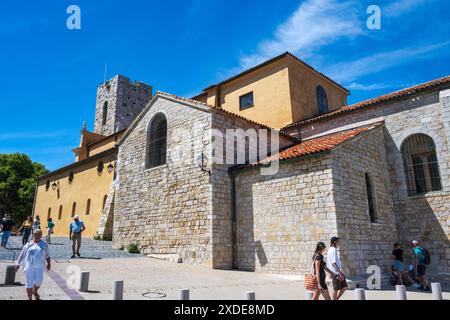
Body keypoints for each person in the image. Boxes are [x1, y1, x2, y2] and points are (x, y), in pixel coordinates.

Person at [15, 229, 51, 300]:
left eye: (39, 235)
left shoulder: (44, 244)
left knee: (39, 282)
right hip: (29, 267)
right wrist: (17, 263)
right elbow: (22, 254)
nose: (37, 236)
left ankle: (34, 291)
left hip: (40, 267)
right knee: (29, 283)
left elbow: (47, 255)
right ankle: (30, 298)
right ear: (33, 235)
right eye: (35, 235)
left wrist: (49, 263)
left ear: (41, 236)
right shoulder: (28, 244)